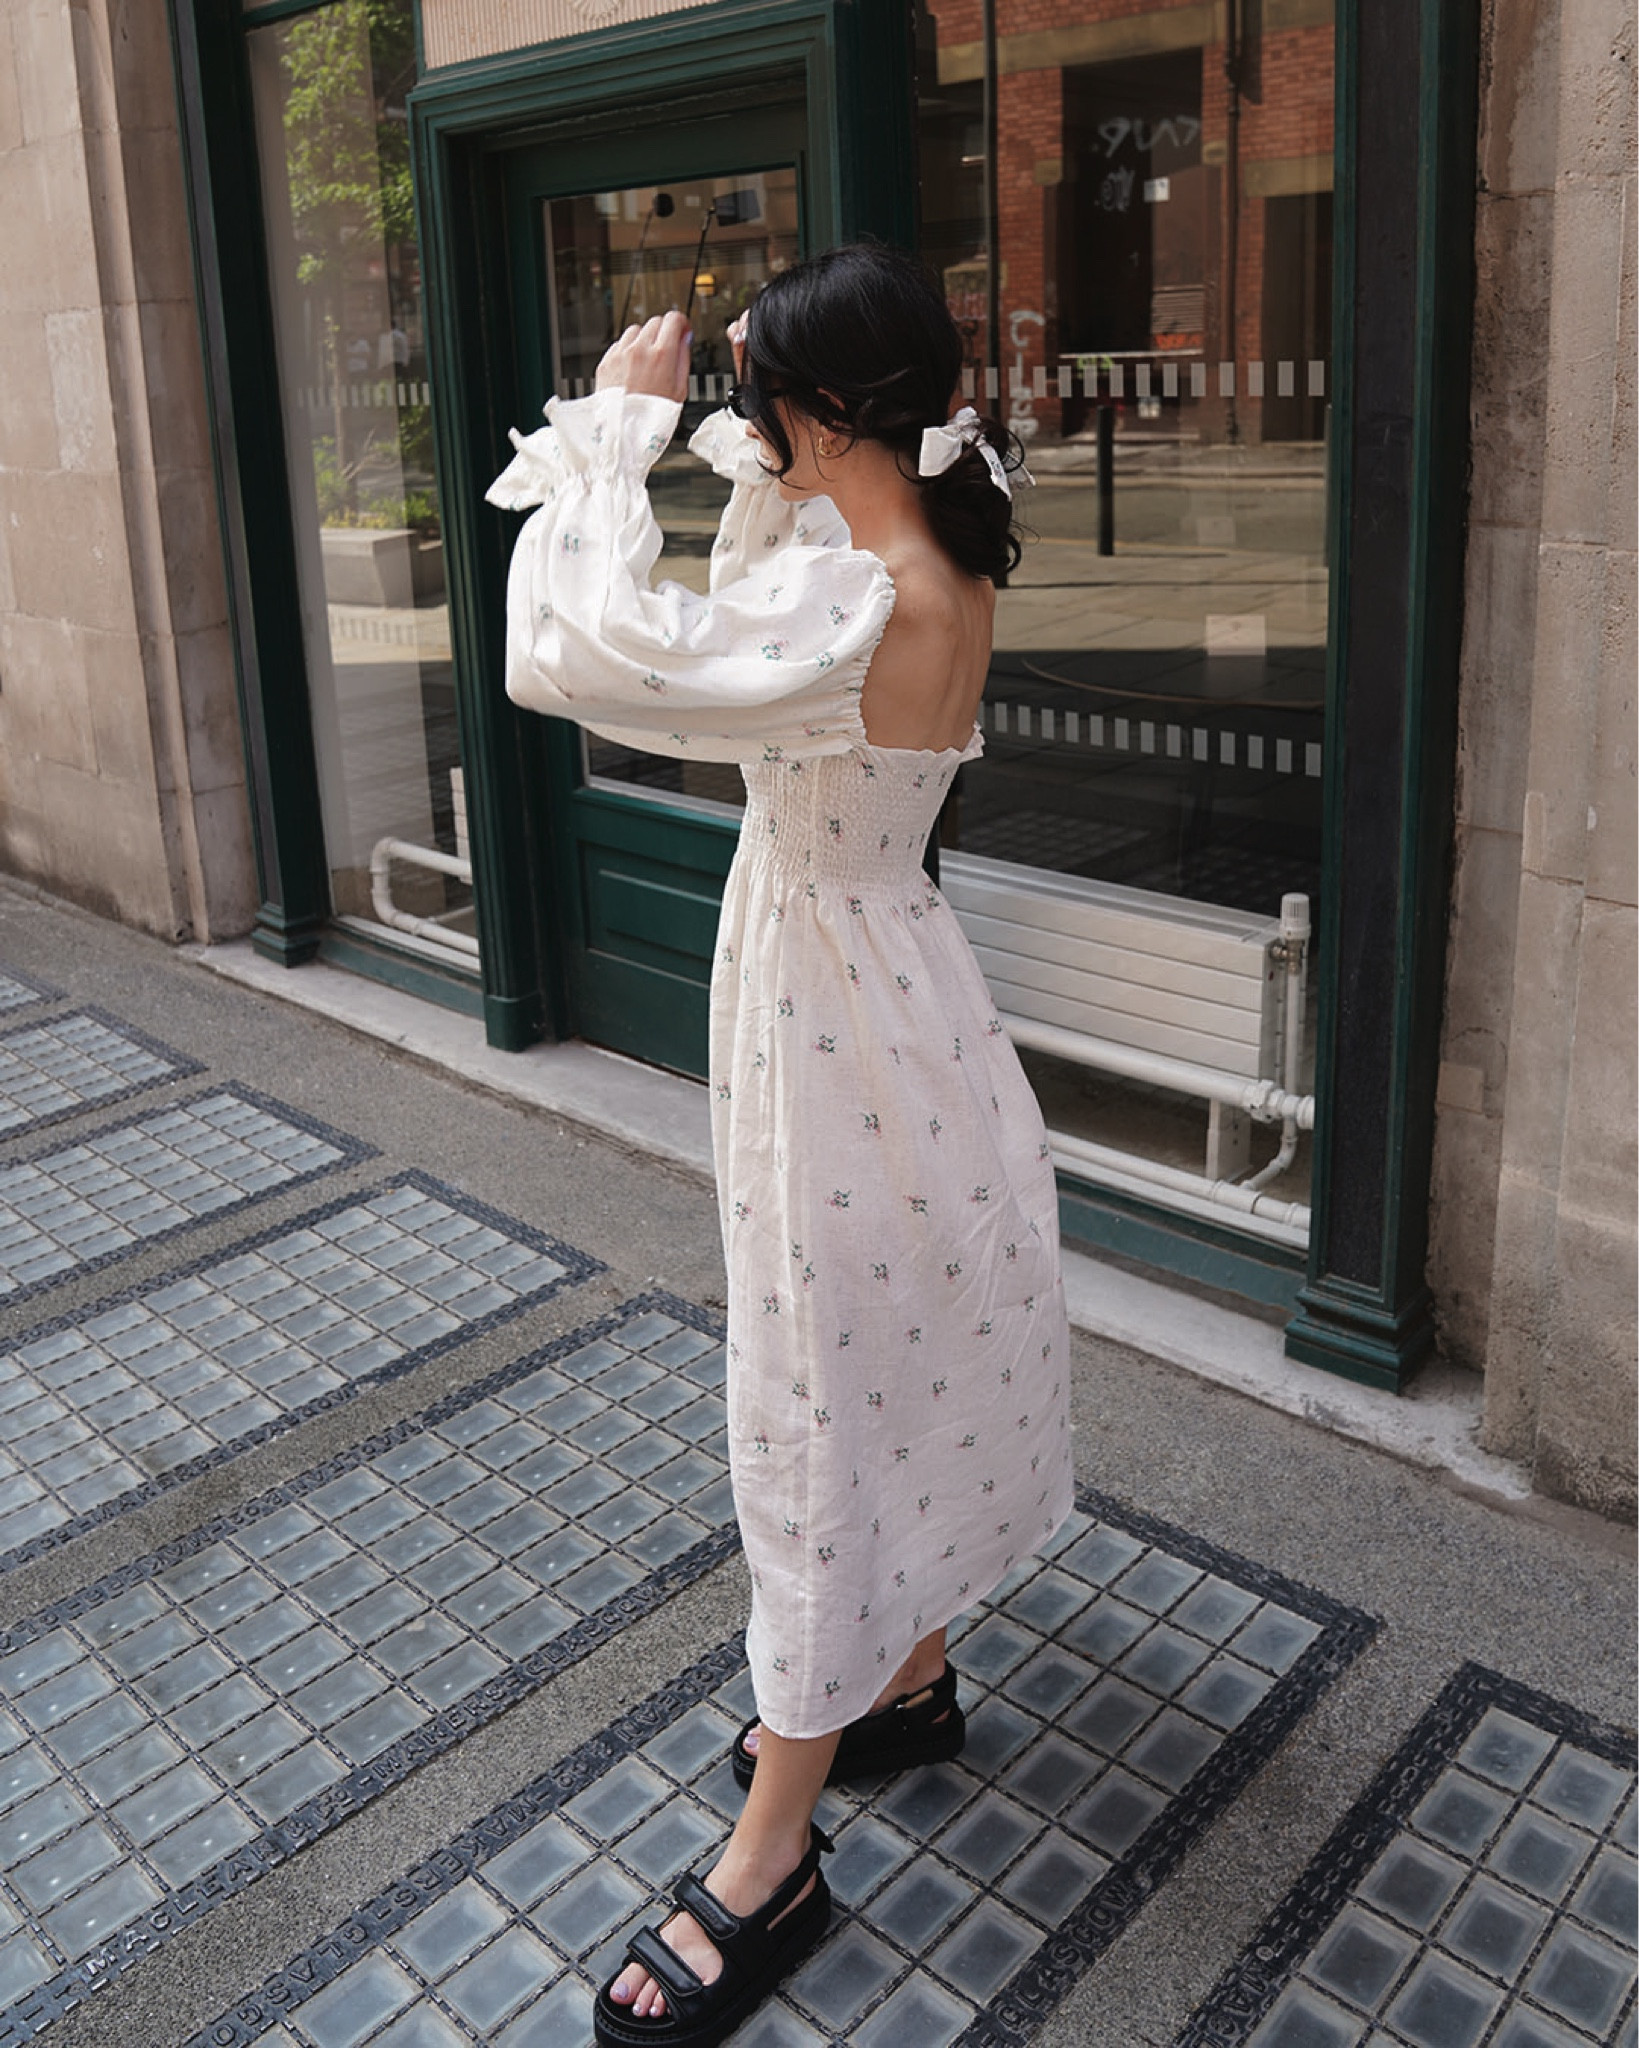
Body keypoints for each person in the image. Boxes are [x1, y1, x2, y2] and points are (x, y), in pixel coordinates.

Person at [487, 243, 1074, 2048]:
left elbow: (584, 655)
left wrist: (619, 431)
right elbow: (758, 562)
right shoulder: (914, 549)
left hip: (837, 1017)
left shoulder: (869, 593)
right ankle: (905, 1672)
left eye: (763, 392)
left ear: (831, 411)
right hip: (883, 982)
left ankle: (773, 1850)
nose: (739, 418)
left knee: (817, 1390)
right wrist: (731, 424)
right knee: (878, 1351)